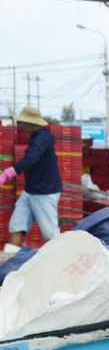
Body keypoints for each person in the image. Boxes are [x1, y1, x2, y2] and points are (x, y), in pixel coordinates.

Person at [0, 106, 61, 253]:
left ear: (32, 123)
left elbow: (31, 159)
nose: (22, 126)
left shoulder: (42, 138)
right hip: (30, 191)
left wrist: (7, 174)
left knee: (50, 234)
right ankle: (8, 262)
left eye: (24, 123)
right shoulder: (36, 137)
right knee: (17, 226)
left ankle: (60, 262)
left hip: (44, 193)